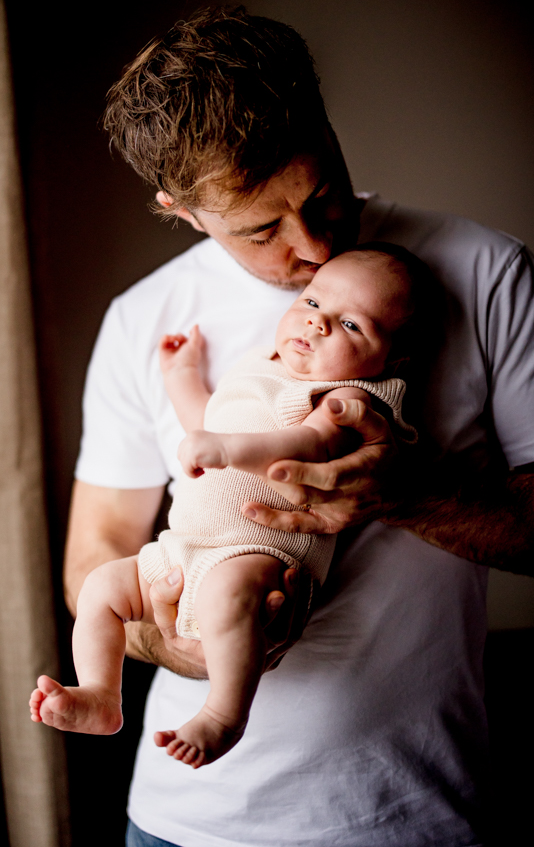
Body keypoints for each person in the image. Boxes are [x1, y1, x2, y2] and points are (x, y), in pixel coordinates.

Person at [65, 7, 534, 846]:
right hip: (182, 822)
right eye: (262, 229)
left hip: (411, 813)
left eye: (320, 194)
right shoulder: (147, 322)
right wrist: (192, 646)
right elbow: (93, 555)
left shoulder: (484, 272)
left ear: (325, 115)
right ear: (181, 208)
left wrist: (413, 496)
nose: (315, 247)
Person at [31, 247, 422, 768]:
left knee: (228, 596)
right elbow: (209, 425)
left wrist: (228, 449)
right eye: (311, 302)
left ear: (391, 359)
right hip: (183, 548)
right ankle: (102, 695)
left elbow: (310, 446)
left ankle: (222, 717)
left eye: (350, 324)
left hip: (259, 551)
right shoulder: (260, 367)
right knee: (101, 586)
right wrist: (181, 377)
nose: (318, 323)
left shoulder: (348, 395)